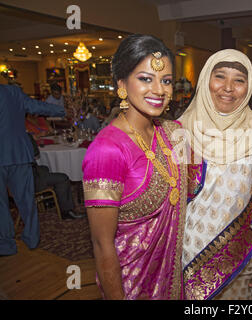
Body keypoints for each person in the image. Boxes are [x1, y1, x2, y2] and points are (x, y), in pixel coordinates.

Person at [82, 34, 186, 300]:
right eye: (145, 79)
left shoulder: (172, 134)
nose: (159, 90)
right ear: (121, 84)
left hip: (173, 280)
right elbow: (102, 244)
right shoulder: (107, 151)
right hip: (131, 286)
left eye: (166, 81)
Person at [180, 49, 252, 300]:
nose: (228, 87)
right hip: (184, 258)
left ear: (248, 87)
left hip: (241, 260)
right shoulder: (181, 130)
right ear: (206, 80)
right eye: (220, 76)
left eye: (239, 79)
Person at [0, 84, 65, 256]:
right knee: (26, 200)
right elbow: (36, 106)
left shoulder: (11, 91)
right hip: (18, 153)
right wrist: (61, 110)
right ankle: (31, 238)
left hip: (13, 155)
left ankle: (6, 244)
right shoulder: (11, 91)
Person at [28, 133, 83, 220]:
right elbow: (35, 153)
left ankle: (50, 201)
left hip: (14, 180)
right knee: (63, 178)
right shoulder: (23, 136)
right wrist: (29, 136)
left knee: (45, 168)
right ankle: (66, 211)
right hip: (29, 180)